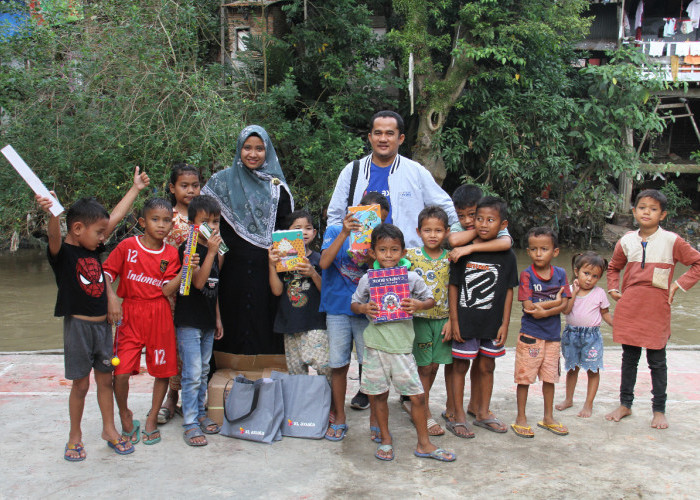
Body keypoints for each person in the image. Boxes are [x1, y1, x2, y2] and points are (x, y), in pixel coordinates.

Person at [38, 166, 149, 461]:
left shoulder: (93, 249)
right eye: (99, 233)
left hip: (103, 328)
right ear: (77, 229)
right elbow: (53, 237)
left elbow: (112, 218)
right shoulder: (63, 255)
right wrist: (53, 215)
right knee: (81, 383)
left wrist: (135, 188)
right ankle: (75, 436)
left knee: (105, 380)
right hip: (78, 327)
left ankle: (109, 430)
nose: (104, 237)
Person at [351, 223, 456, 462]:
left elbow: (430, 299)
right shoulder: (368, 279)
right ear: (373, 253)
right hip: (375, 346)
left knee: (417, 397)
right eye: (383, 250)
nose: (388, 255)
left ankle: (424, 443)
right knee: (378, 396)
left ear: (403, 253)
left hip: (402, 348)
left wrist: (418, 305)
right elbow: (354, 304)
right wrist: (364, 307)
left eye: (394, 250)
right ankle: (386, 439)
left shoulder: (410, 277)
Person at [605, 189, 700, 429]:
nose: (647, 211)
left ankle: (659, 409)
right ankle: (625, 404)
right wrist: (613, 289)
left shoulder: (672, 240)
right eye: (642, 207)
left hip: (657, 309)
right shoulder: (626, 241)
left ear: (663, 214)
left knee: (657, 361)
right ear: (634, 211)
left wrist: (677, 285)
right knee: (629, 358)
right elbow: (614, 267)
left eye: (654, 208)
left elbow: (697, 262)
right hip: (631, 308)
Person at [203, 125, 293, 355]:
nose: (253, 154)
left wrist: (284, 265)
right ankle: (223, 380)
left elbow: (285, 231)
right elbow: (201, 221)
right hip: (229, 269)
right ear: (239, 149)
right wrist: (218, 251)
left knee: (264, 323)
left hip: (267, 270)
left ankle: (264, 379)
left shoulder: (277, 188)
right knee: (229, 322)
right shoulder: (221, 182)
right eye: (247, 148)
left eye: (259, 149)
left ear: (268, 152)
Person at [104, 198, 181, 446]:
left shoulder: (171, 253)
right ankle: (125, 414)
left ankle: (150, 417)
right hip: (131, 313)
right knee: (122, 372)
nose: (161, 225)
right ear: (142, 222)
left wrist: (186, 270)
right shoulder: (127, 246)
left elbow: (168, 290)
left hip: (159, 314)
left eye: (166, 220)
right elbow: (105, 273)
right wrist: (112, 297)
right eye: (155, 219)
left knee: (163, 371)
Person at [326, 110, 457, 248]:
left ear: (400, 138)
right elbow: (335, 216)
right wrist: (342, 251)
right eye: (378, 133)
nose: (383, 139)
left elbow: (445, 207)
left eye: (389, 133)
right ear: (370, 137)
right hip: (361, 261)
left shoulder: (415, 171)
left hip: (407, 260)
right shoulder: (353, 171)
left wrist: (458, 235)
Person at [441, 184, 512, 431]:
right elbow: (453, 283)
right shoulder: (461, 244)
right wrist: (454, 319)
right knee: (459, 363)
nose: (474, 222)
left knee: (485, 364)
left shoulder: (503, 244)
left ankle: (480, 409)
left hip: (490, 320)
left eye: (482, 217)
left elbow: (509, 286)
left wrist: (505, 323)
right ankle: (456, 411)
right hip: (464, 317)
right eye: (470, 217)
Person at [320, 192, 389, 441]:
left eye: (377, 214)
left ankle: (376, 420)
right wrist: (344, 233)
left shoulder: (382, 240)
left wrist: (374, 261)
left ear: (384, 217)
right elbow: (325, 263)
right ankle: (339, 417)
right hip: (337, 308)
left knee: (370, 365)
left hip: (367, 309)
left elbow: (385, 281)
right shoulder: (335, 229)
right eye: (366, 211)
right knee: (338, 364)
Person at [175, 195, 224, 446]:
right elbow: (198, 282)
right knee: (193, 373)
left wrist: (217, 319)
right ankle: (190, 422)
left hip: (206, 321)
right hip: (188, 321)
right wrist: (212, 252)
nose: (212, 227)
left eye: (215, 221)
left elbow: (214, 288)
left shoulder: (216, 251)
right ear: (192, 224)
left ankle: (201, 412)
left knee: (203, 370)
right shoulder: (189, 247)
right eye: (206, 222)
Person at [512, 226, 570, 438]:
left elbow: (565, 305)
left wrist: (546, 309)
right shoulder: (527, 275)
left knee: (549, 378)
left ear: (555, 252)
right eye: (534, 249)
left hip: (553, 337)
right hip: (531, 336)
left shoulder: (561, 274)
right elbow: (528, 308)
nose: (539, 254)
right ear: (528, 251)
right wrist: (554, 303)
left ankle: (548, 417)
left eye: (544, 249)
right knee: (524, 378)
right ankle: (521, 418)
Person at [403, 206, 452, 437]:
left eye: (438, 230)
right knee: (423, 367)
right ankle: (424, 413)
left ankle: (416, 403)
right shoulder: (410, 256)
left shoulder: (451, 259)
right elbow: (387, 263)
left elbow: (455, 291)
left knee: (434, 366)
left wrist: (452, 320)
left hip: (442, 320)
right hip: (419, 319)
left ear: (447, 232)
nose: (433, 235)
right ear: (418, 231)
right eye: (427, 230)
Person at [161, 163, 202, 425]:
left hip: (200, 290)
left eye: (194, 185)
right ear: (172, 188)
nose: (189, 190)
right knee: (174, 346)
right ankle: (171, 396)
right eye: (184, 186)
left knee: (198, 347)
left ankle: (196, 398)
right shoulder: (166, 216)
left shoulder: (204, 215)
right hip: (174, 290)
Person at [268, 210, 330, 383]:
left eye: (308, 228)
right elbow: (277, 291)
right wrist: (271, 265)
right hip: (290, 323)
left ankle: (328, 402)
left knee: (324, 365)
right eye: (297, 228)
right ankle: (302, 405)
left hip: (315, 322)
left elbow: (326, 292)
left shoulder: (319, 259)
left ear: (314, 233)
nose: (303, 232)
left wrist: (313, 273)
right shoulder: (282, 261)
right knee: (296, 372)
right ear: (288, 232)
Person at [556, 251, 612, 418]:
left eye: (595, 276)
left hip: (592, 337)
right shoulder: (569, 290)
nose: (589, 279)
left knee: (593, 370)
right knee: (572, 368)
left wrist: (618, 325)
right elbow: (566, 309)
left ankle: (588, 404)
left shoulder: (600, 293)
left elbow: (606, 314)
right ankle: (568, 399)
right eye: (586, 273)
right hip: (571, 334)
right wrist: (573, 292)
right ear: (576, 271)